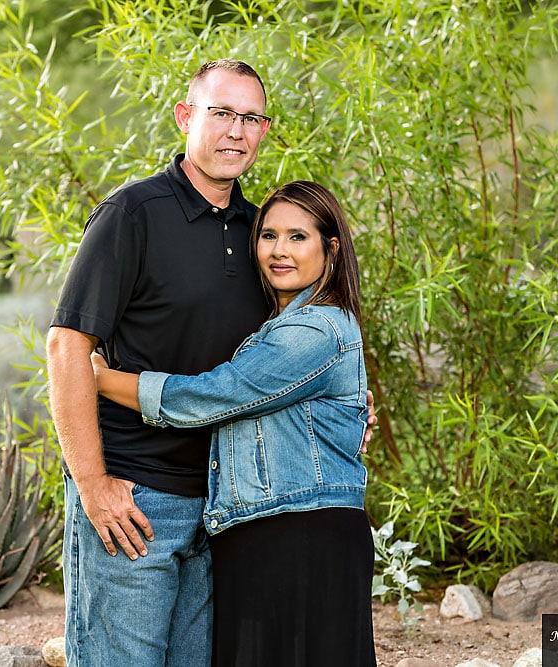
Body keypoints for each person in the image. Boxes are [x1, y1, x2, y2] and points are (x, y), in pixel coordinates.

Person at [46, 60, 375, 666]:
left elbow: (278, 364)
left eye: (250, 118)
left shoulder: (263, 236)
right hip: (135, 499)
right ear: (185, 118)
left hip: (230, 508)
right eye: (221, 113)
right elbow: (67, 347)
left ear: (265, 131)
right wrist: (92, 484)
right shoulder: (134, 214)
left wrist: (349, 404)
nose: (235, 131)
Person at [92, 180, 376, 666]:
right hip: (267, 533)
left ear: (330, 248)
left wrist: (98, 378)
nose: (278, 251)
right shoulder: (283, 324)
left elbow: (212, 397)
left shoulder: (316, 328)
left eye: (297, 237)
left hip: (302, 536)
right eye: (268, 236)